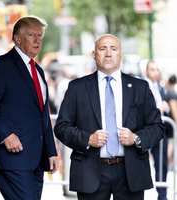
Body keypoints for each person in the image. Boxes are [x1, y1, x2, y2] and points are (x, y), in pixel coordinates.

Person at [54, 34, 165, 200]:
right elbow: (62, 126)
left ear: (121, 55)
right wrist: (87, 139)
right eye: (102, 48)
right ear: (94, 54)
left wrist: (136, 138)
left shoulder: (139, 88)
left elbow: (157, 126)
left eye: (113, 49)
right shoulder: (77, 88)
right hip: (90, 170)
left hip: (130, 172)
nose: (108, 53)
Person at [0, 16, 59, 200]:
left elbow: (43, 115)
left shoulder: (38, 71)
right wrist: (5, 134)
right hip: (11, 158)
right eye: (32, 35)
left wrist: (51, 151)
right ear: (17, 38)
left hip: (36, 159)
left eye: (40, 36)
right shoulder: (1, 66)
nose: (37, 40)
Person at [145, 60, 169, 200]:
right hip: (146, 131)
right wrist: (157, 109)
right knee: (141, 161)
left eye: (157, 69)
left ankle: (162, 196)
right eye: (152, 69)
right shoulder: (143, 87)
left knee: (162, 164)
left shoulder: (160, 87)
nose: (155, 72)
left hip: (161, 131)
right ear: (147, 71)